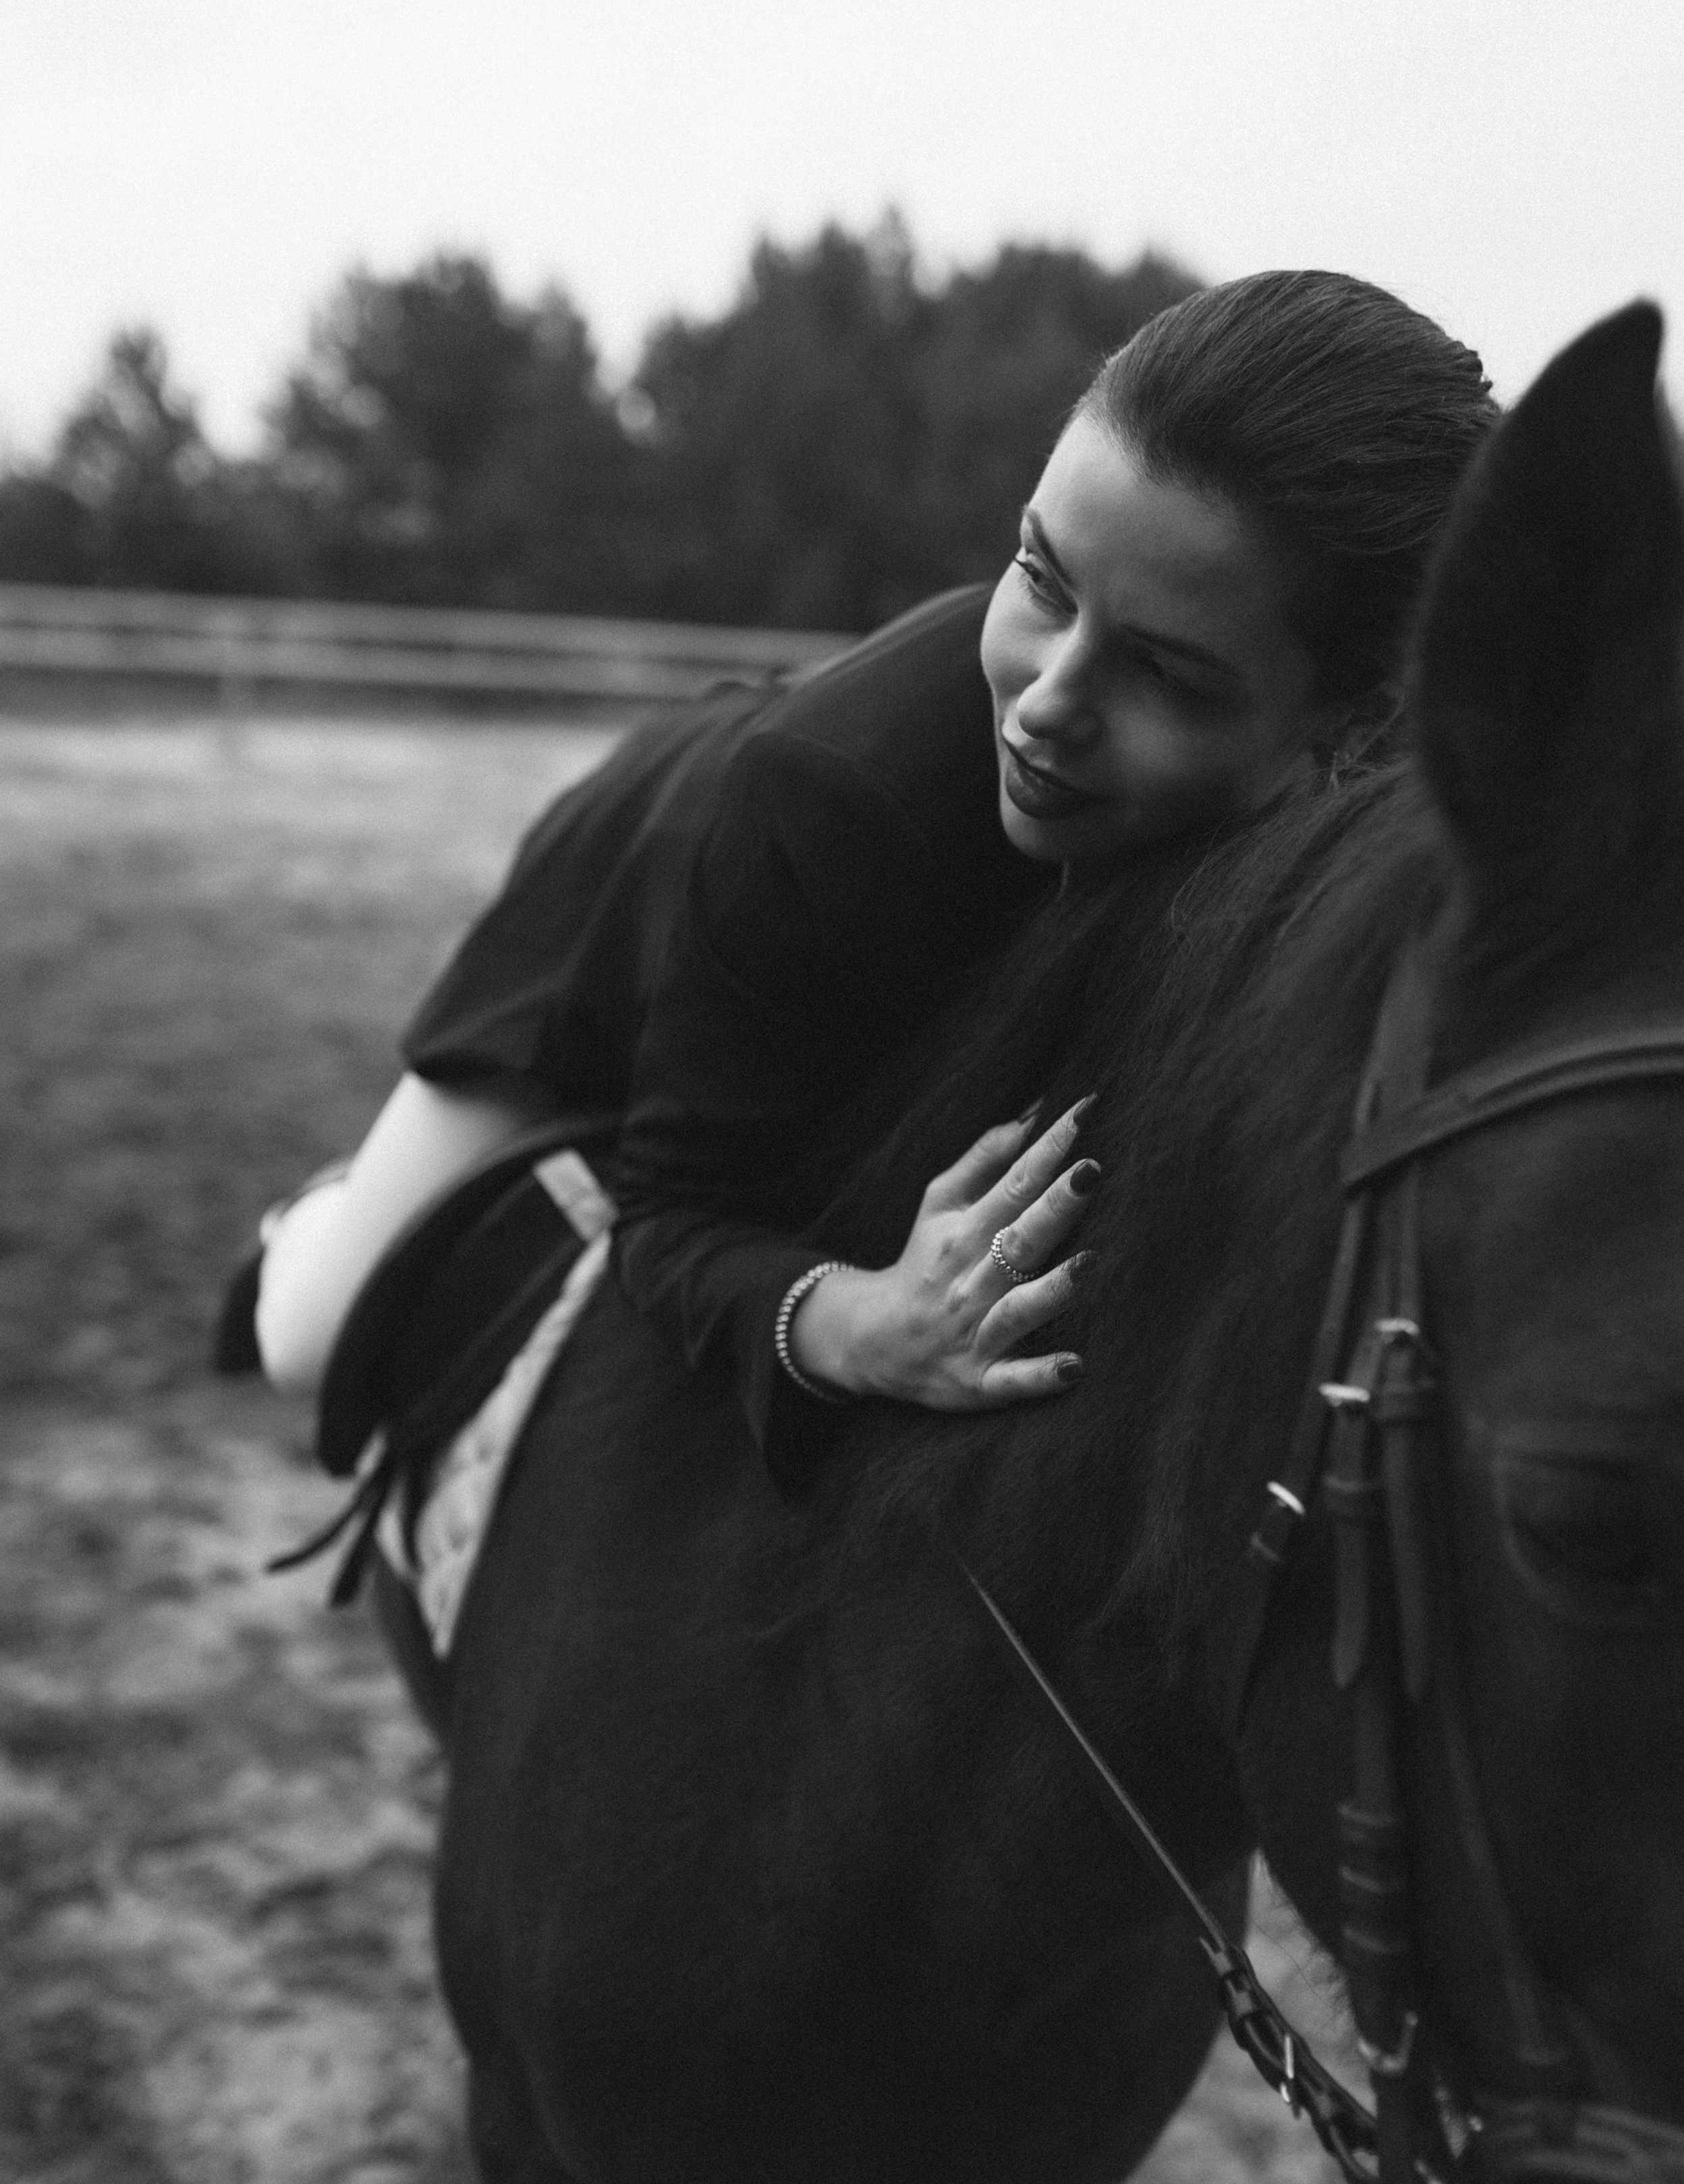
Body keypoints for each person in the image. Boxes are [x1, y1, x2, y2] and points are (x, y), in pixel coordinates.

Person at [252, 270, 1498, 1492]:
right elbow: (673, 1221)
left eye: (1167, 675)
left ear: (1355, 721)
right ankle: (312, 1221)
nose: (1047, 704)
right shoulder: (831, 799)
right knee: (309, 1338)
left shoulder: (1395, 796)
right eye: (1044, 579)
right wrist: (857, 1319)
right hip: (646, 901)